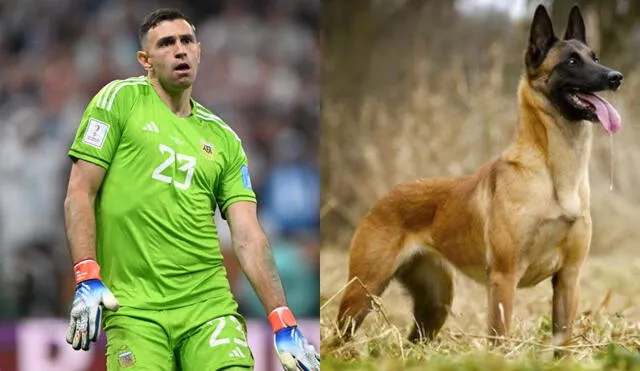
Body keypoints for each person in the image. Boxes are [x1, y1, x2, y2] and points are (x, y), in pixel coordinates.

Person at [63, 8, 319, 371]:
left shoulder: (224, 139)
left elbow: (248, 236)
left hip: (209, 309)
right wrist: (86, 275)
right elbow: (79, 192)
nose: (179, 50)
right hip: (135, 309)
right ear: (145, 60)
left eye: (186, 42)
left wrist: (282, 318)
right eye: (166, 43)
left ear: (199, 51)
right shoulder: (119, 100)